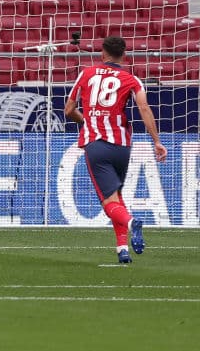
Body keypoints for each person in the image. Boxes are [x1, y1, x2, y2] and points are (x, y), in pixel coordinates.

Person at [64, 36, 167, 264]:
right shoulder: (132, 79)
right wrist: (157, 142)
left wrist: (85, 121)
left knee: (109, 202)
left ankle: (132, 223)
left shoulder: (87, 73)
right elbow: (144, 109)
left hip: (97, 145)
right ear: (124, 55)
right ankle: (122, 249)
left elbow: (69, 109)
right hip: (122, 146)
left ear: (102, 53)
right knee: (116, 197)